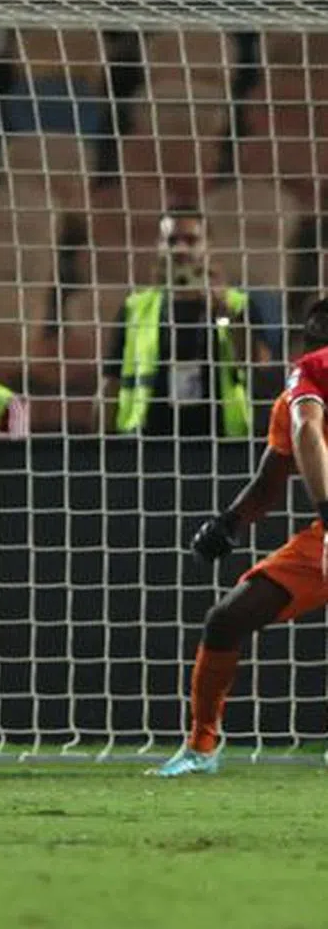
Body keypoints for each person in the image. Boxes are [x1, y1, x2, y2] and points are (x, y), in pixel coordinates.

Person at [152, 297, 328, 776]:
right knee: (227, 620)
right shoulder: (297, 392)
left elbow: (309, 430)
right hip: (322, 536)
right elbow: (272, 479)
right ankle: (201, 747)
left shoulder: (310, 371)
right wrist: (229, 523)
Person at [102, 208, 274, 439]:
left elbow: (258, 366)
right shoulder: (136, 308)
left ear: (208, 245)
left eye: (191, 240)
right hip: (147, 439)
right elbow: (110, 382)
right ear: (159, 246)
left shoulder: (237, 304)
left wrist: (225, 313)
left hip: (219, 439)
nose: (181, 249)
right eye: (172, 241)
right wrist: (101, 444)